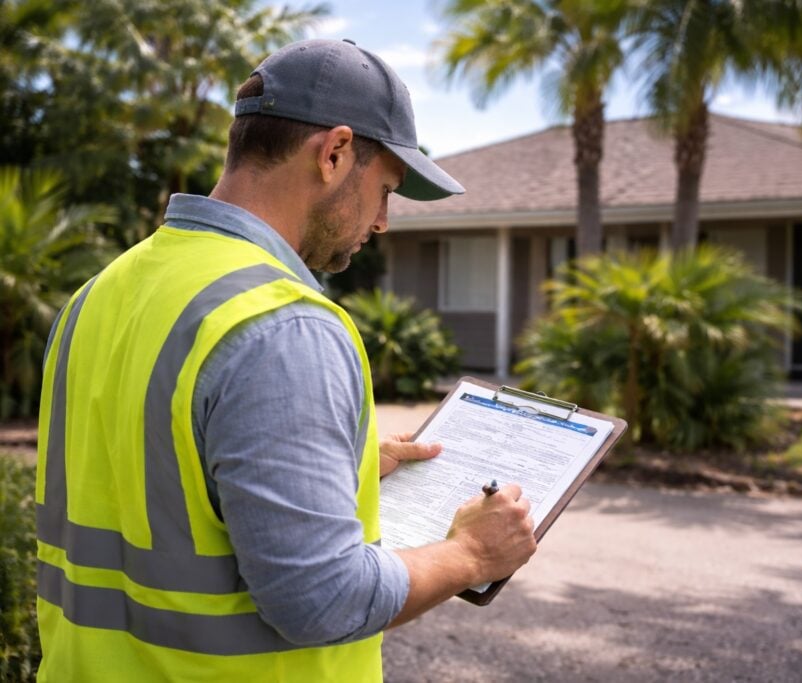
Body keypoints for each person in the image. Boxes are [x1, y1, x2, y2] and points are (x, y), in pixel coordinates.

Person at [34, 39, 537, 682]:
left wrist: (335, 469)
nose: (383, 221)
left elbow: (155, 475)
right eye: (385, 189)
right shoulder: (283, 325)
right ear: (333, 154)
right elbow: (324, 598)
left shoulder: (101, 292)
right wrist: (469, 554)